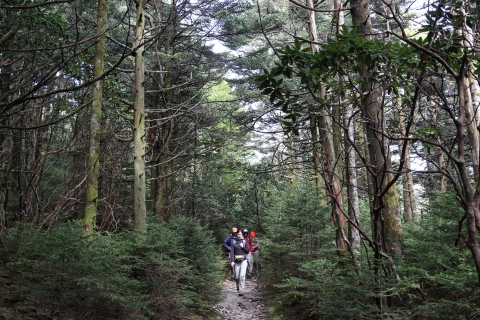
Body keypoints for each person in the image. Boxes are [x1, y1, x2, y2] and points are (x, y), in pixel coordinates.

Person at [230, 231, 250, 296]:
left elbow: (247, 251)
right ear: (236, 234)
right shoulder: (233, 242)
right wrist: (232, 261)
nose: (239, 235)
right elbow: (232, 252)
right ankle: (238, 288)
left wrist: (242, 247)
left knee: (242, 276)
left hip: (244, 260)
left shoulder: (244, 242)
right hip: (236, 261)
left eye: (240, 234)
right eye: (238, 234)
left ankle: (241, 291)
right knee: (237, 277)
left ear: (242, 235)